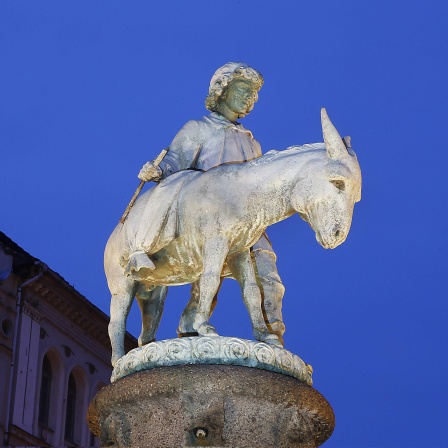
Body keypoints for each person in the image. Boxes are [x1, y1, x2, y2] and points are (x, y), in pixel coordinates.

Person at [134, 62, 285, 338]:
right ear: (222, 90)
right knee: (210, 274)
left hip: (246, 221)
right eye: (242, 89)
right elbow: (174, 161)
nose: (248, 98)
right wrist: (158, 171)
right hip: (204, 213)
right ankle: (192, 319)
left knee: (268, 272)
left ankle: (271, 331)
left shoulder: (252, 142)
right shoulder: (199, 129)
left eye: (253, 94)